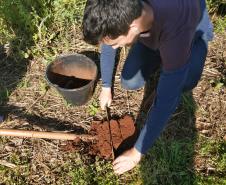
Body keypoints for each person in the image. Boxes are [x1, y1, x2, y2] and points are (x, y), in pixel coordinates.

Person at [82, 0, 213, 175]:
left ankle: (171, 62)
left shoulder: (176, 31)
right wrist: (106, 86)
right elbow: (108, 37)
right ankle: (162, 57)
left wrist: (136, 153)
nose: (112, 47)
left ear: (133, 25)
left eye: (115, 43)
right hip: (151, 35)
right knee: (130, 82)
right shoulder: (125, 8)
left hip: (191, 36)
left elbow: (166, 102)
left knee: (184, 84)